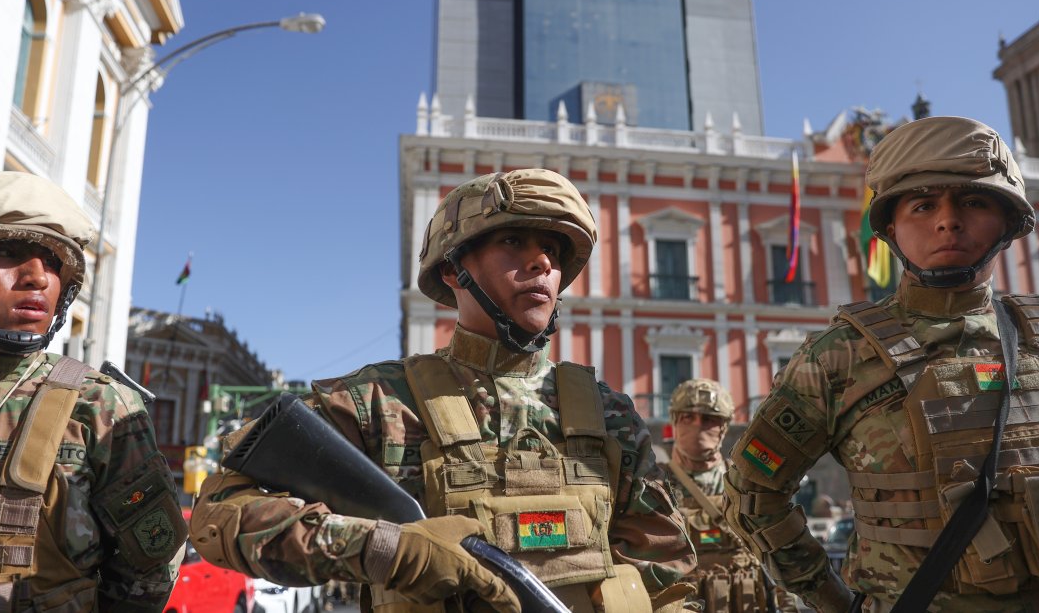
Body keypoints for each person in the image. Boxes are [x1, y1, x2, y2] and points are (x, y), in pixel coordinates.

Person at [190, 168, 696, 612]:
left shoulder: (608, 415)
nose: (543, 263)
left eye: (554, 250)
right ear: (453, 269)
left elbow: (668, 575)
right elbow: (219, 512)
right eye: (514, 242)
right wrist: (385, 549)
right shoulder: (378, 403)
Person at [722, 116, 1039, 612]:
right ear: (891, 228)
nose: (948, 220)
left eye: (973, 201)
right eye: (923, 205)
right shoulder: (838, 358)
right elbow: (754, 498)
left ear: (1007, 222)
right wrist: (834, 600)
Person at [0, 171, 186, 611]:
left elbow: (150, 566)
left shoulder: (98, 406)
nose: (37, 277)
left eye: (53, 263)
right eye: (6, 252)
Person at [661, 379, 797, 613]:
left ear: (723, 427)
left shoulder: (747, 482)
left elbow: (778, 556)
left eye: (709, 419)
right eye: (688, 418)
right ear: (674, 422)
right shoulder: (653, 484)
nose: (698, 426)